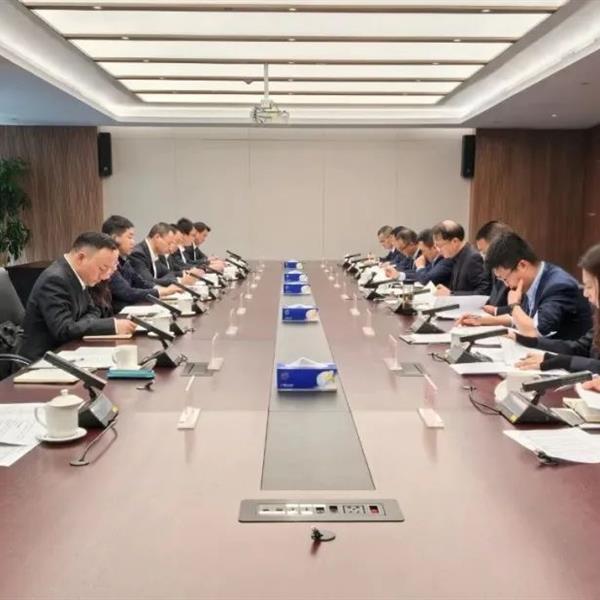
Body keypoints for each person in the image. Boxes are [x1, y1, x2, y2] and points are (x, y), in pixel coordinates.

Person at [20, 232, 136, 361]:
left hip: (67, 351)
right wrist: (112, 325)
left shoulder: (77, 274)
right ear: (81, 258)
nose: (105, 276)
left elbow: (93, 310)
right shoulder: (55, 280)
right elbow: (63, 330)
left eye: (110, 269)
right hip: (41, 360)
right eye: (102, 268)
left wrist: (80, 324)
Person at [458, 232, 592, 340]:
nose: (507, 285)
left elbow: (534, 331)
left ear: (522, 265)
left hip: (565, 359)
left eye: (505, 278)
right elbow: (523, 319)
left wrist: (514, 306)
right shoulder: (535, 279)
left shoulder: (558, 286)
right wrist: (482, 321)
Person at [513, 243, 600, 372]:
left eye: (589, 286)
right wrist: (531, 342)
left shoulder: (558, 285)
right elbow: (580, 348)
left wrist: (562, 362)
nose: (585, 294)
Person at [102, 215, 179, 312]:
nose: (133, 242)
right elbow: (127, 292)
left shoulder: (123, 260)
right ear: (115, 238)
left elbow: (141, 282)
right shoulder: (108, 264)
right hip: (118, 313)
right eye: (129, 237)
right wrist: (161, 292)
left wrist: (161, 290)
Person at [432, 220, 491, 296]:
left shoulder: (472, 258)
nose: (438, 250)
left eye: (440, 246)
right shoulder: (455, 256)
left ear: (455, 241)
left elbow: (483, 291)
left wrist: (451, 294)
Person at [130, 222, 196, 286]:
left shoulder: (155, 253)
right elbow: (148, 281)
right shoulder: (138, 254)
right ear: (157, 237)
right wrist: (178, 281)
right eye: (169, 243)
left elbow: (169, 273)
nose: (170, 246)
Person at [474, 220, 512, 314]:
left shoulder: (516, 269)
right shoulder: (492, 266)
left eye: (485, 252)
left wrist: (496, 311)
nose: (483, 256)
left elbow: (521, 309)